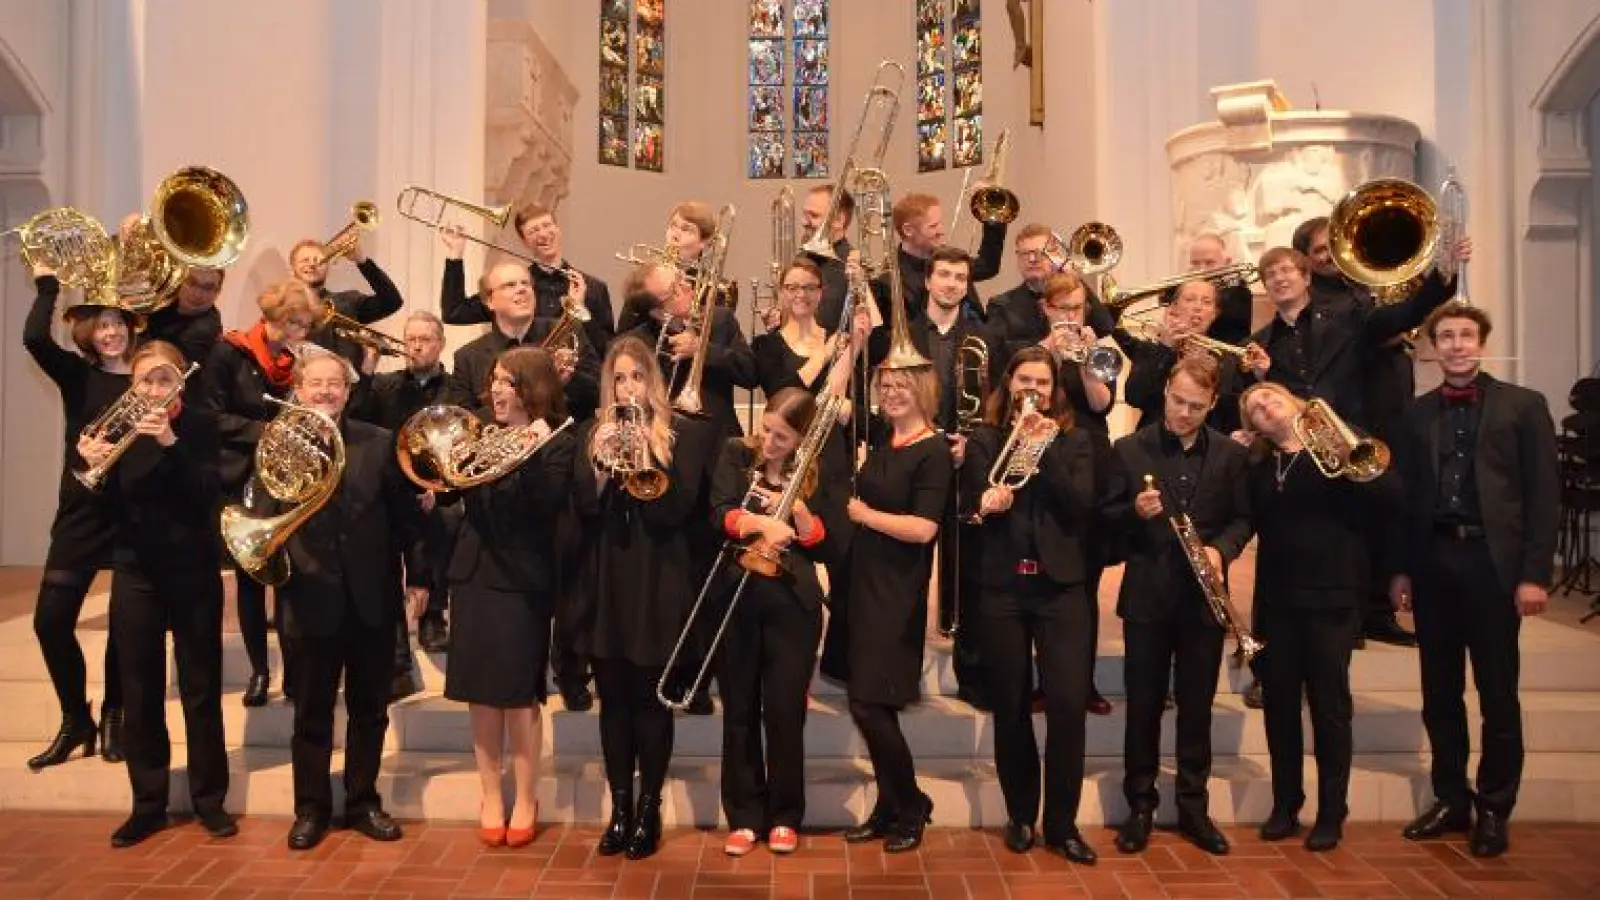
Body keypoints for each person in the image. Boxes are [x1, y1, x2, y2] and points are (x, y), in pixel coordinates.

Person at [1390, 303, 1558, 859]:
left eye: (1466, 335)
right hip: (1434, 560)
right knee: (1439, 694)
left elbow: (1543, 499)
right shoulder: (1415, 414)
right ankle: (1450, 798)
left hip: (1492, 564)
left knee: (1496, 693)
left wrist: (1533, 575)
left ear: (1482, 343)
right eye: (1446, 336)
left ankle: (1493, 806)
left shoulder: (1524, 406)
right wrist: (1400, 570)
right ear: (1434, 346)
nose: (1457, 344)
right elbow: (1406, 501)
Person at [1247, 239, 1468, 649]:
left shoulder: (1349, 315)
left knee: (1360, 533)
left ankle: (1353, 629)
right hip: (1296, 455)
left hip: (1348, 443)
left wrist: (1442, 275)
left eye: (1286, 271)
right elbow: (1261, 400)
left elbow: (1405, 314)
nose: (1278, 279)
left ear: (1306, 277)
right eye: (1269, 275)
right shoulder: (1261, 342)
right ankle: (1270, 660)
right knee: (1283, 548)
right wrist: (1263, 376)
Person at [265, 347, 431, 851]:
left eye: (334, 383)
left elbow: (408, 519)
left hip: (372, 598)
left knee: (370, 709)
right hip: (309, 595)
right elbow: (263, 513)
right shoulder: (278, 446)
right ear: (298, 390)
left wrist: (419, 577)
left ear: (348, 390)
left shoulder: (379, 444)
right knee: (311, 712)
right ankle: (310, 809)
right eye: (315, 383)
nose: (325, 391)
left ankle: (362, 801)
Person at [573, 336, 718, 860]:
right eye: (619, 377)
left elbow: (677, 512)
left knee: (650, 702)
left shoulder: (681, 435)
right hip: (609, 579)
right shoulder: (594, 434)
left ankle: (650, 810)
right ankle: (619, 808)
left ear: (653, 381)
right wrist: (599, 464)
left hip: (659, 580)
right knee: (613, 701)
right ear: (608, 384)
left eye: (637, 376)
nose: (628, 386)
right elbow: (582, 510)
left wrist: (644, 458)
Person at [1239, 382, 1400, 851]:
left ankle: (1332, 809)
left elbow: (1390, 495)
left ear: (1296, 402)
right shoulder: (1259, 464)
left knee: (1330, 707)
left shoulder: (1339, 447)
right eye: (1255, 409)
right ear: (1255, 426)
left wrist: (1346, 444)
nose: (1265, 407)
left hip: (1332, 596)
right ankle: (1286, 803)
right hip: (1276, 599)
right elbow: (1244, 520)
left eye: (1270, 398)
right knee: (1281, 706)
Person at [86, 341, 234, 847]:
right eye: (145, 379)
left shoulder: (199, 424)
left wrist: (170, 442)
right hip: (136, 573)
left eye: (163, 378)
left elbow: (205, 494)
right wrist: (90, 465)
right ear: (132, 384)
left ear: (180, 382)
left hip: (192, 570)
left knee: (200, 687)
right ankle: (147, 804)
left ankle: (209, 801)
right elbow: (102, 509)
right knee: (140, 690)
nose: (153, 388)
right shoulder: (114, 425)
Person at [1105, 354, 1251, 857]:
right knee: (1142, 708)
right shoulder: (1128, 450)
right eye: (1177, 401)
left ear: (1213, 404)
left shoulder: (1232, 456)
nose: (1184, 413)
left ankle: (1193, 807)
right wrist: (1132, 513)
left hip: (1203, 606)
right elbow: (1104, 524)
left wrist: (1221, 550)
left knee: (1196, 710)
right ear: (1166, 389)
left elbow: (1241, 520)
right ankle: (1140, 806)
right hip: (1147, 598)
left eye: (1196, 406)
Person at [962, 346, 1099, 863]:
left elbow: (1080, 504)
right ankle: (1021, 814)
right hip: (1002, 587)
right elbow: (972, 502)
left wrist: (1039, 452)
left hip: (1060, 588)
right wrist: (985, 500)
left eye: (1042, 383)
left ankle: (1062, 825)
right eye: (1024, 381)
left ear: (1054, 389)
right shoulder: (984, 437)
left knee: (1067, 707)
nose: (1033, 391)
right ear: (1009, 383)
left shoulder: (1075, 440)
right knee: (1012, 705)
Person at [441, 347, 575, 848]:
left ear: (533, 390)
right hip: (475, 572)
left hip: (521, 578)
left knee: (518, 697)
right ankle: (489, 795)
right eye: (495, 380)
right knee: (481, 694)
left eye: (510, 382)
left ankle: (525, 796)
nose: (497, 390)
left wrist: (529, 451)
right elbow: (455, 489)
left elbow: (547, 505)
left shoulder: (558, 440)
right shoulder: (477, 430)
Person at [824, 364, 953, 854]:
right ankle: (889, 805)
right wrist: (853, 343)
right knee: (867, 700)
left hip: (895, 593)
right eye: (886, 387)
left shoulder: (933, 450)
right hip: (862, 583)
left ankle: (913, 803)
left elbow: (924, 529)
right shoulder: (885, 435)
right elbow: (830, 397)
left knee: (870, 703)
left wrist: (865, 515)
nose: (893, 393)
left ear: (925, 390)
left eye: (904, 385)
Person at [710, 388, 836, 857]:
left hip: (792, 606)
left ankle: (785, 815)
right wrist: (758, 524)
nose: (769, 442)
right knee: (740, 709)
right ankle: (744, 816)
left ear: (802, 439)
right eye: (766, 429)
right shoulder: (734, 455)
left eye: (782, 436)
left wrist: (801, 518)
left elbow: (828, 544)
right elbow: (717, 511)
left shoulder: (816, 473)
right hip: (737, 598)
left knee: (785, 712)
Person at [22, 264, 133, 769]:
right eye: (101, 324)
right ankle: (75, 718)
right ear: (88, 331)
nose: (111, 332)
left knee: (127, 624)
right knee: (50, 621)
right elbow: (32, 338)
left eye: (119, 322)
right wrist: (48, 284)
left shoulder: (152, 377)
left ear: (132, 327)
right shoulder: (76, 374)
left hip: (133, 512)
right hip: (82, 510)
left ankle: (116, 713)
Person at [202, 280, 320, 707]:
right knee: (251, 577)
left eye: (305, 325)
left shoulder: (295, 361)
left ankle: (295, 672)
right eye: (296, 323)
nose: (302, 333)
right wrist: (267, 431)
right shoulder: (228, 352)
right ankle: (258, 670)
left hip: (285, 477)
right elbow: (209, 417)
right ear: (275, 317)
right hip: (240, 477)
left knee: (292, 576)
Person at [350, 310, 458, 675]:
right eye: (411, 338)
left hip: (438, 481)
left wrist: (438, 489)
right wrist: (368, 364)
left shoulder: (455, 387)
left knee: (443, 517)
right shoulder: (385, 384)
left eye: (425, 338)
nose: (416, 345)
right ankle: (395, 640)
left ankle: (433, 615)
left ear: (440, 344)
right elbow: (358, 413)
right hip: (391, 484)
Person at [437, 204, 616, 356]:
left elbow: (605, 349)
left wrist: (580, 308)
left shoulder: (593, 287)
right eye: (533, 231)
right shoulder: (511, 288)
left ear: (557, 229)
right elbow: (454, 312)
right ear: (524, 241)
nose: (543, 234)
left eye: (547, 225)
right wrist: (455, 254)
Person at [444, 260, 597, 420]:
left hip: (562, 440)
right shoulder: (468, 357)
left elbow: (597, 392)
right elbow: (463, 420)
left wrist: (566, 381)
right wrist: (510, 401)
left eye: (526, 283)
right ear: (489, 301)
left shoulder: (570, 332)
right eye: (510, 285)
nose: (521, 289)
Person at [288, 231, 405, 371]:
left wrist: (362, 261)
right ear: (292, 269)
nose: (312, 264)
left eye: (318, 260)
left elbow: (392, 302)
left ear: (327, 267)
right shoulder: (283, 307)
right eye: (305, 260)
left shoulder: (348, 302)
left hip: (347, 388)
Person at [886, 193, 1005, 323]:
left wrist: (992, 215)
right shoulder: (891, 279)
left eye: (940, 223)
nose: (941, 231)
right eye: (933, 226)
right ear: (908, 230)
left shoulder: (945, 256)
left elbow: (988, 266)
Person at [991, 224, 1115, 338]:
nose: (1032, 259)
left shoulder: (1073, 298)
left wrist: (1075, 277)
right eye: (1024, 254)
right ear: (1017, 258)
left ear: (1055, 255)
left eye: (1039, 253)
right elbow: (1001, 354)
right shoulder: (1000, 305)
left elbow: (1105, 328)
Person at [143, 267, 224, 373]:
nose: (197, 294)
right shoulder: (166, 299)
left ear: (217, 292)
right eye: (192, 283)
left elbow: (159, 366)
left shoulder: (204, 330)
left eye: (208, 288)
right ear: (180, 279)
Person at [799, 183, 857, 330]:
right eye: (804, 215)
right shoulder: (801, 258)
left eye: (814, 215)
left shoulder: (851, 267)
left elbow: (825, 323)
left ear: (838, 220)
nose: (804, 222)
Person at [1186, 232, 1253, 344]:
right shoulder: (1184, 292)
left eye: (1209, 263)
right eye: (1195, 263)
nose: (1201, 270)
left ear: (1227, 263)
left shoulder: (1238, 294)